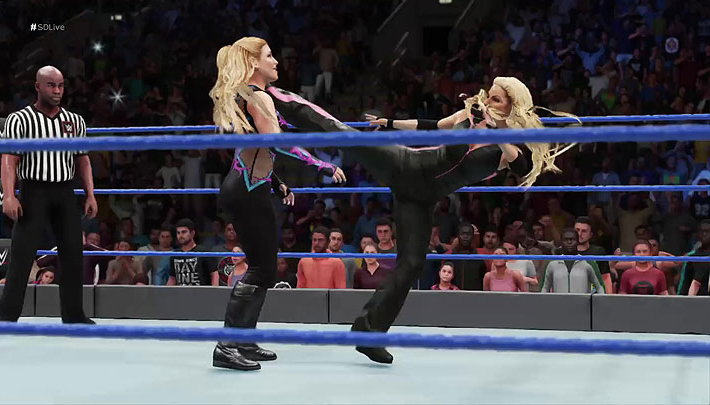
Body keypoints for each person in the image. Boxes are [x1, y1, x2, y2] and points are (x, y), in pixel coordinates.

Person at [266, 76, 578, 364]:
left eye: (496, 100)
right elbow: (433, 125)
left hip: (421, 198)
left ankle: (368, 332)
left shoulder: (508, 147)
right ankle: (277, 97)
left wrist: (494, 128)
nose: (487, 102)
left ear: (511, 106)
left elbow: (521, 168)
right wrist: (390, 123)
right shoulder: (468, 115)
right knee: (345, 135)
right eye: (489, 97)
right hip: (406, 166)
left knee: (412, 264)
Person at [209, 37, 346, 371]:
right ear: (254, 62)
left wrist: (277, 182)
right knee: (260, 268)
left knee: (265, 267)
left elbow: (256, 150)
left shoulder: (250, 95)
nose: (276, 62)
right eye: (269, 56)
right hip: (245, 189)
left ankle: (243, 340)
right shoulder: (258, 97)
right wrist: (320, 163)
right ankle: (227, 345)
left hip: (250, 185)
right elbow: (277, 143)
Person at [0, 66, 97, 324]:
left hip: (65, 190)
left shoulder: (75, 121)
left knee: (73, 252)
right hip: (33, 190)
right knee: (22, 254)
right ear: (38, 87)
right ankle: (7, 316)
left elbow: (83, 159)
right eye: (51, 85)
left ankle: (74, 314)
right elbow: (9, 158)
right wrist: (8, 195)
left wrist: (90, 194)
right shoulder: (19, 119)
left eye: (61, 85)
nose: (57, 90)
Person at [541, 229, 605, 294]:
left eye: (572, 239)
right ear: (561, 242)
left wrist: (599, 300)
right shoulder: (552, 264)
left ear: (577, 241)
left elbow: (600, 287)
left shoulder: (589, 262)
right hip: (559, 300)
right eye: (565, 240)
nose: (569, 242)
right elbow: (544, 289)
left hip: (583, 300)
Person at [167, 218, 218, 286]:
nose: (180, 235)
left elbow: (214, 274)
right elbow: (172, 278)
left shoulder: (203, 252)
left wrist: (215, 290)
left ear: (192, 233)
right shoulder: (175, 254)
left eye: (184, 232)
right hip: (181, 292)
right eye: (178, 233)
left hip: (201, 291)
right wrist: (166, 292)